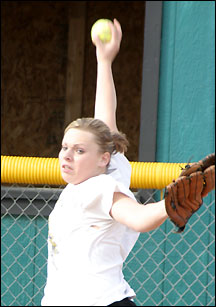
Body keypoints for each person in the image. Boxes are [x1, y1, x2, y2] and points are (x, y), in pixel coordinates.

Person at [41, 19, 168, 307]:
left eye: (79, 150)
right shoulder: (108, 169)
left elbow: (136, 217)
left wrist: (169, 204)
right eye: (64, 147)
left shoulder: (99, 187)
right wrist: (104, 60)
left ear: (102, 158)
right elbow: (105, 119)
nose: (67, 155)